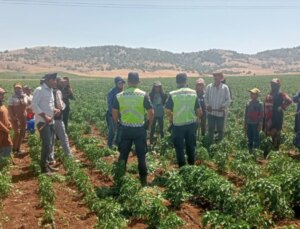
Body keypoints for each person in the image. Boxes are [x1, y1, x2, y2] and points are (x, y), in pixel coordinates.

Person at [112, 72, 154, 186]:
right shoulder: (143, 95)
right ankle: (143, 182)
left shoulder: (120, 95)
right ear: (138, 82)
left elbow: (114, 112)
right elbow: (151, 112)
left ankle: (119, 180)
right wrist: (148, 125)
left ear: (128, 81)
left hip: (125, 129)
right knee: (141, 156)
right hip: (139, 129)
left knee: (123, 155)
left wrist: (118, 123)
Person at [165, 73, 202, 167]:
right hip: (191, 124)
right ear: (186, 81)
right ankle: (191, 165)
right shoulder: (193, 93)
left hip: (178, 125)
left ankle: (182, 167)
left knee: (179, 147)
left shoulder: (172, 94)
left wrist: (171, 119)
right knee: (191, 145)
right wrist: (197, 119)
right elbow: (199, 111)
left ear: (177, 82)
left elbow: (167, 110)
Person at [32, 73, 60, 174]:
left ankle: (47, 164)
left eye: (55, 80)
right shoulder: (39, 90)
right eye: (54, 80)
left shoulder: (50, 90)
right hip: (43, 122)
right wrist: (45, 116)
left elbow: (48, 105)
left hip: (50, 121)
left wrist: (55, 109)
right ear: (48, 80)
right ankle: (43, 167)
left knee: (50, 144)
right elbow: (34, 105)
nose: (55, 82)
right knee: (46, 144)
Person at [49, 77, 73, 164]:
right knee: (63, 137)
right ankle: (68, 155)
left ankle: (51, 158)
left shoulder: (47, 91)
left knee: (51, 139)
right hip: (57, 117)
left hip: (48, 118)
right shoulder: (57, 91)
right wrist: (63, 107)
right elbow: (60, 105)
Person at [263, 78, 292, 150]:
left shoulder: (281, 94)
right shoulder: (270, 94)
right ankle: (272, 146)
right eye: (272, 84)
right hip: (269, 116)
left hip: (277, 116)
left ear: (278, 86)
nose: (272, 86)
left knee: (275, 131)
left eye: (274, 85)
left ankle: (276, 148)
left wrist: (281, 107)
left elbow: (289, 100)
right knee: (269, 131)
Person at [205, 72, 231, 146]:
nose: (216, 77)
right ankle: (210, 144)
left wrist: (223, 106)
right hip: (211, 113)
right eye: (215, 76)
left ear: (221, 78)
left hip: (220, 114)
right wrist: (208, 105)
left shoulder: (225, 88)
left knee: (220, 130)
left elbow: (228, 100)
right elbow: (205, 98)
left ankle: (220, 145)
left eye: (218, 76)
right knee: (210, 129)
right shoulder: (209, 87)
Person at [8, 83, 29, 154]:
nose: (18, 89)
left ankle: (18, 149)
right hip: (15, 117)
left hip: (23, 117)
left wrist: (27, 110)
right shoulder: (12, 97)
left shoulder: (25, 96)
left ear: (21, 88)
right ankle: (13, 148)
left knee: (22, 133)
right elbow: (10, 108)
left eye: (19, 88)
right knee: (17, 132)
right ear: (14, 89)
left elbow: (30, 102)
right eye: (16, 88)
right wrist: (12, 116)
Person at [106, 76, 125, 148]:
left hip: (121, 114)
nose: (121, 85)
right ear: (116, 84)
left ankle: (117, 144)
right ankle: (109, 146)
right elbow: (110, 104)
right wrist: (114, 115)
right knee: (112, 131)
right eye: (120, 83)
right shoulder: (112, 92)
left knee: (120, 130)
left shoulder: (123, 92)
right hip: (112, 115)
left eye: (122, 83)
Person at [244, 88, 264, 152]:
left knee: (256, 137)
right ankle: (250, 149)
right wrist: (245, 123)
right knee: (249, 136)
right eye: (251, 94)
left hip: (256, 123)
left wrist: (260, 124)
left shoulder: (259, 104)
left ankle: (256, 150)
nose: (251, 95)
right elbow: (246, 114)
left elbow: (261, 114)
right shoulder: (248, 103)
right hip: (249, 122)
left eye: (253, 94)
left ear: (257, 95)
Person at [0, 87, 12, 160]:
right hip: (2, 133)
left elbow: (6, 117)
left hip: (5, 134)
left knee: (7, 148)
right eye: (1, 94)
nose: (3, 96)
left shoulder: (2, 105)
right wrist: (5, 129)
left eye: (3, 94)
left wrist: (9, 124)